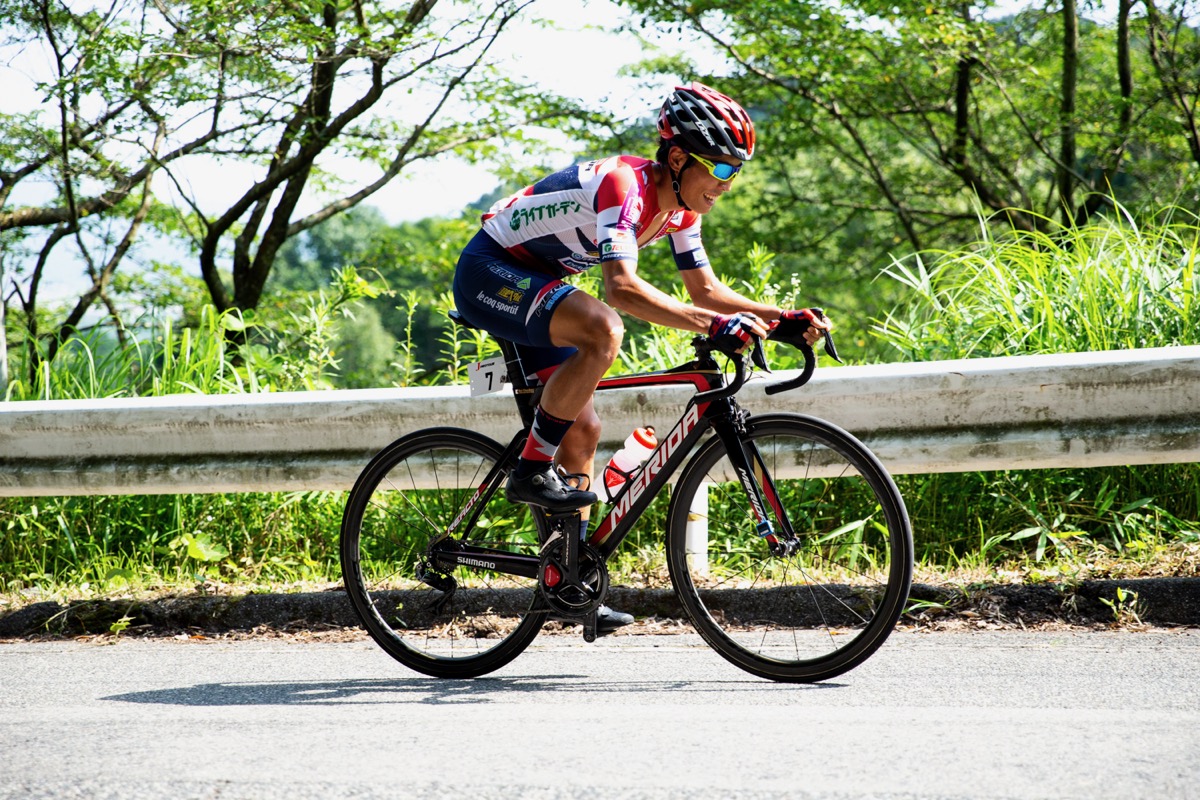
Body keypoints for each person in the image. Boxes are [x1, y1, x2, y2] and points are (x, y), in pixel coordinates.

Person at [452, 81, 830, 633]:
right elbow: (622, 290)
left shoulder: (681, 212)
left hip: (544, 283)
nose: (727, 184)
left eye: (736, 171)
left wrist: (778, 318)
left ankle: (568, 582)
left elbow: (705, 293)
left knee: (581, 433)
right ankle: (531, 470)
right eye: (721, 169)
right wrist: (717, 326)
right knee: (605, 328)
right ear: (678, 158)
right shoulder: (623, 185)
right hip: (490, 271)